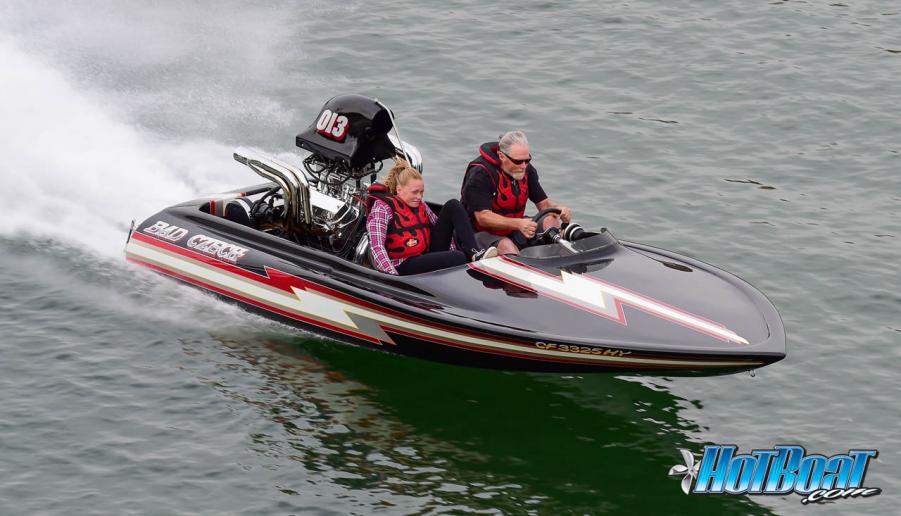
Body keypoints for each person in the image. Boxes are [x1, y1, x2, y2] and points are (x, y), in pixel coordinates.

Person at [368, 159, 498, 276]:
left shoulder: (420, 204)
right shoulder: (382, 208)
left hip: (424, 254)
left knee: (453, 205)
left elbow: (439, 228)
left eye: (421, 192)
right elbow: (377, 246)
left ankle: (475, 253)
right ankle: (462, 259)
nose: (419, 197)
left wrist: (450, 253)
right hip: (402, 264)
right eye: (415, 192)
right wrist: (392, 276)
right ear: (399, 190)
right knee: (458, 257)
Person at [461, 130, 572, 255]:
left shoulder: (526, 170)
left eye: (527, 160)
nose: (523, 166)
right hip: (478, 234)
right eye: (518, 161)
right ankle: (518, 262)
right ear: (502, 156)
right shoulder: (480, 174)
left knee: (551, 219)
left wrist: (559, 209)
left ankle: (561, 256)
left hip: (514, 228)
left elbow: (544, 204)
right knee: (507, 246)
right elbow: (483, 217)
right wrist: (518, 224)